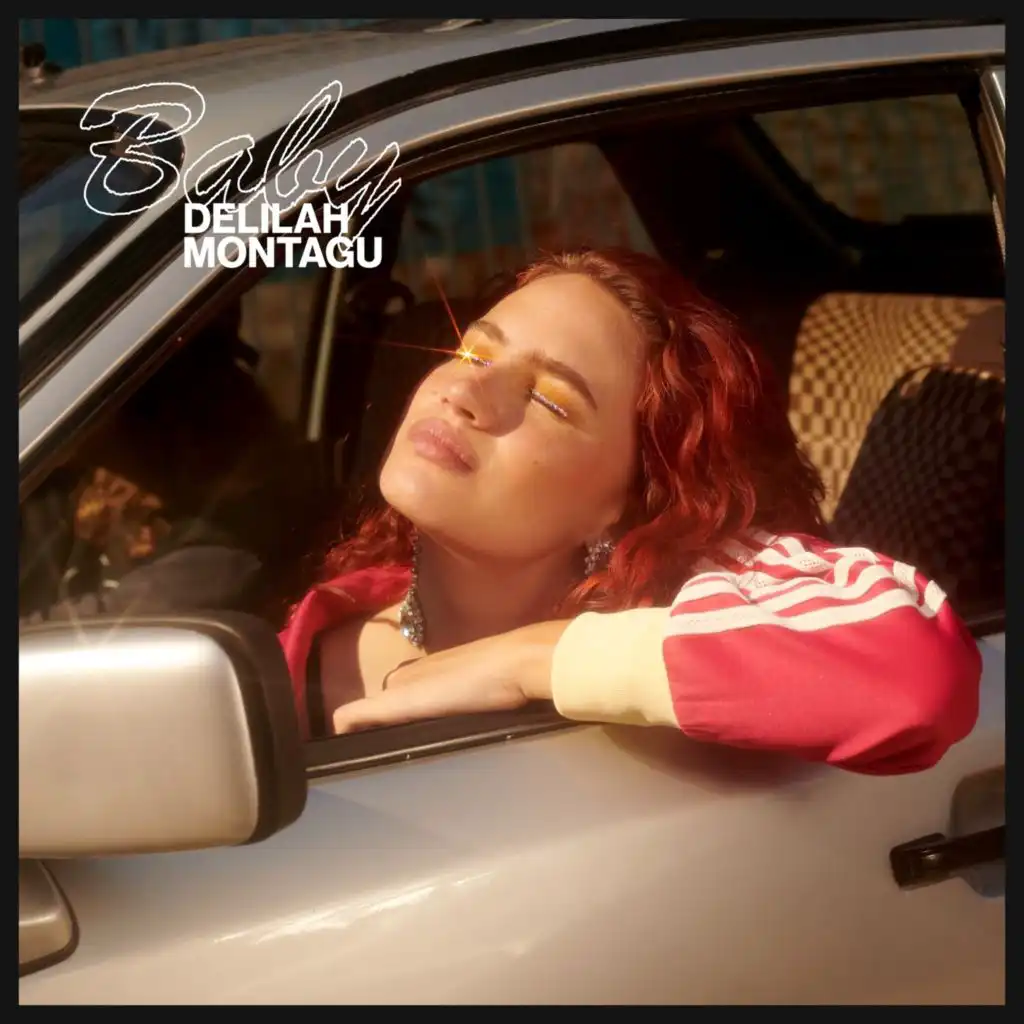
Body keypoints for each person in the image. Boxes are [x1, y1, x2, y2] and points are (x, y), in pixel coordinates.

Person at [280, 248, 981, 774]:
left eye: (549, 400)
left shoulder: (692, 612)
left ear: (625, 503)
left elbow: (913, 675)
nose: (464, 393)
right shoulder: (295, 646)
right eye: (471, 351)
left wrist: (526, 660)